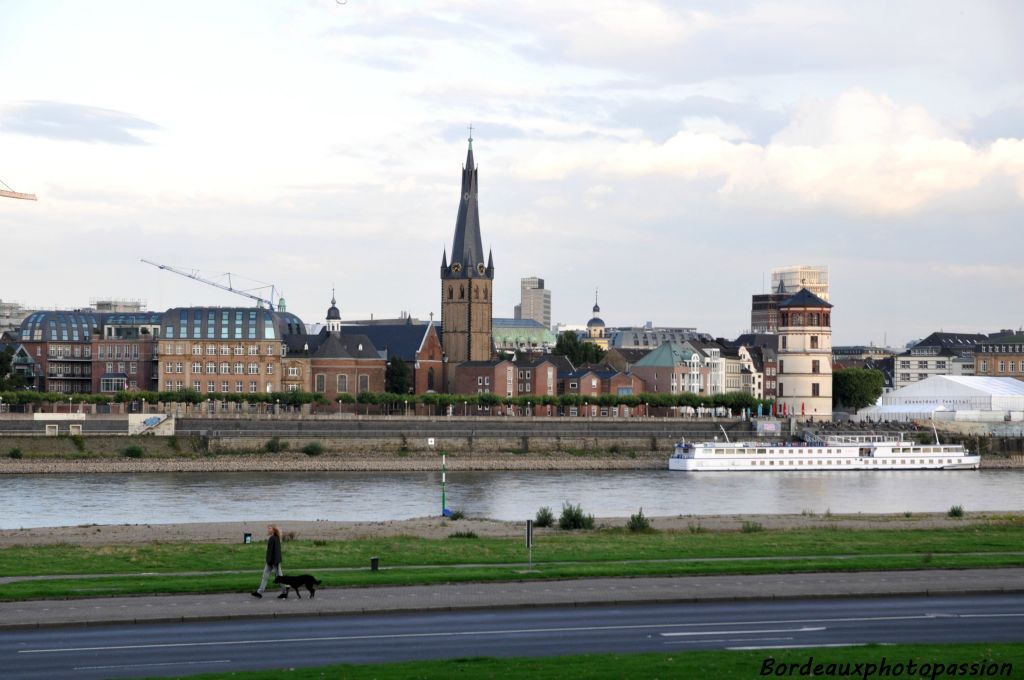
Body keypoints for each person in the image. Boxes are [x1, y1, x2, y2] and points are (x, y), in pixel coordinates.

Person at [251, 525, 288, 599]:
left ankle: (284, 592)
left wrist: (272, 562)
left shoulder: (273, 538)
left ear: (273, 530)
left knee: (278, 577)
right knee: (265, 576)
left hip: (273, 562)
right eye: (268, 528)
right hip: (272, 561)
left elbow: (273, 552)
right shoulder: (275, 538)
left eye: (269, 528)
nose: (268, 529)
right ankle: (259, 592)